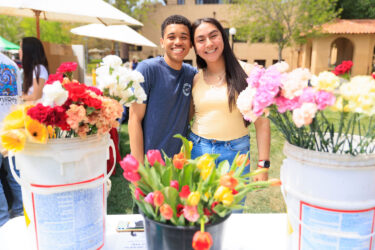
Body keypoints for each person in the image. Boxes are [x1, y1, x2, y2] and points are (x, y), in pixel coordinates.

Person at [189, 18, 271, 182]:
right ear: (195, 47)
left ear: (223, 38)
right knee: (200, 207)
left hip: (236, 153)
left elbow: (262, 123)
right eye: (201, 40)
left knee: (233, 207)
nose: (209, 43)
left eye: (214, 36)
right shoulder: (195, 79)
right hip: (199, 150)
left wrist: (263, 164)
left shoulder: (249, 72)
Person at [129, 15, 197, 164]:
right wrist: (137, 167)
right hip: (151, 162)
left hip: (180, 162)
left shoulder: (191, 74)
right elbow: (134, 119)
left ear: (191, 43)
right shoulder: (147, 69)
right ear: (162, 42)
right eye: (171, 37)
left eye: (184, 37)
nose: (178, 42)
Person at [0, 52, 23, 227]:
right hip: (11, 126)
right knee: (15, 175)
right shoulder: (11, 64)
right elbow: (18, 98)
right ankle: (22, 215)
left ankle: (3, 222)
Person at [19, 37, 49, 102]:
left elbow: (36, 96)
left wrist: (21, 97)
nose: (19, 50)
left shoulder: (39, 69)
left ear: (29, 51)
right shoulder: (33, 70)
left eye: (21, 48)